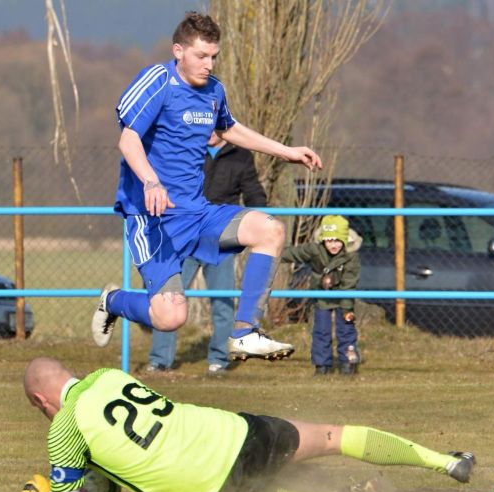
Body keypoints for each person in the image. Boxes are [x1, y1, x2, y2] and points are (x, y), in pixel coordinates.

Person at [91, 12, 322, 362]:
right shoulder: (158, 80)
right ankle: (113, 301)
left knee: (270, 230)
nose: (209, 64)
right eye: (201, 55)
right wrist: (151, 181)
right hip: (153, 218)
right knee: (170, 318)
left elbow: (230, 129)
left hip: (197, 213)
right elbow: (128, 138)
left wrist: (286, 151)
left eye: (214, 56)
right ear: (179, 51)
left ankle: (245, 332)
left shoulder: (215, 91)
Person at [18, 357, 476, 492]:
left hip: (211, 485)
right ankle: (447, 461)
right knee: (334, 436)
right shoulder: (107, 375)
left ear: (42, 400)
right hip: (237, 431)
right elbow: (108, 472)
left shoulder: (64, 429)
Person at [148, 131, 267, 375]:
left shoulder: (241, 156)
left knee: (222, 302)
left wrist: (260, 217)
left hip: (219, 240)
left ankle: (219, 360)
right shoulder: (188, 150)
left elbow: (253, 191)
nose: (211, 133)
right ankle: (160, 360)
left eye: (216, 127)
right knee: (169, 297)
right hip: (185, 237)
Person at [281, 215, 363, 376]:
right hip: (322, 296)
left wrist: (347, 309)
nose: (333, 245)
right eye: (329, 240)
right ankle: (321, 365)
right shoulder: (315, 250)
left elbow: (349, 283)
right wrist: (271, 252)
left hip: (344, 296)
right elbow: (294, 253)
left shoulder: (351, 256)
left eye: (338, 240)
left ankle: (348, 363)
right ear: (323, 240)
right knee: (321, 331)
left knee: (346, 329)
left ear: (345, 239)